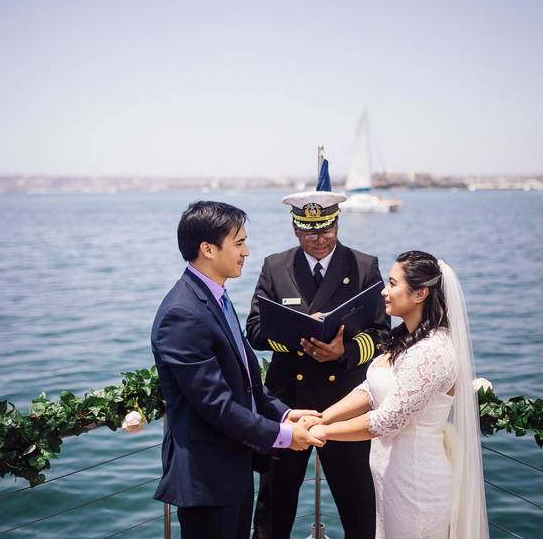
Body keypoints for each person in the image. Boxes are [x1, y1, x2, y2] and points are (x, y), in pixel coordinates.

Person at [151, 201, 324, 539]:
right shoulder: (182, 314)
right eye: (239, 243)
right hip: (206, 478)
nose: (247, 251)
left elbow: (247, 382)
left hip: (234, 468)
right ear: (208, 249)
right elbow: (216, 404)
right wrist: (285, 437)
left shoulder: (216, 297)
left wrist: (285, 413)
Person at [305, 250, 489, 539]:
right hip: (389, 477)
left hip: (417, 483)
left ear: (420, 294)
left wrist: (320, 431)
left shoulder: (431, 352)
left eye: (392, 284)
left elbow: (387, 421)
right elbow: (370, 388)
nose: (384, 291)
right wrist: (321, 415)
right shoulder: (405, 339)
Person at [246, 191, 390, 539]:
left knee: (358, 504)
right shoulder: (275, 266)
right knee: (273, 506)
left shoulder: (364, 265)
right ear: (296, 230)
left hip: (345, 404)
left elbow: (383, 334)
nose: (319, 239)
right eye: (309, 231)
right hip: (288, 404)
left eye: (326, 229)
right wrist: (303, 339)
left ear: (337, 223)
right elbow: (254, 330)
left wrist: (342, 353)